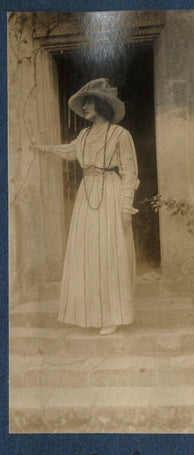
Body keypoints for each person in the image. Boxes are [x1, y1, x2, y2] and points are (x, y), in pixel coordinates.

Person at [35, 78, 139, 335]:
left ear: (103, 104)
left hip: (111, 193)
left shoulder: (120, 134)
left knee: (109, 251)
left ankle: (112, 316)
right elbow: (68, 151)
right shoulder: (83, 135)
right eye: (84, 103)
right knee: (87, 252)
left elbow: (129, 172)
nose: (85, 107)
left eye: (89, 102)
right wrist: (44, 148)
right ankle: (87, 313)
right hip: (86, 195)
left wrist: (126, 207)